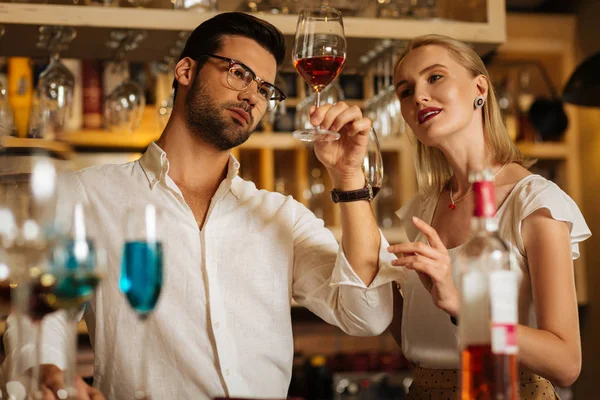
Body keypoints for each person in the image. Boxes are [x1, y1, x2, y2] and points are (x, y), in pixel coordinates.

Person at [2, 12, 402, 400]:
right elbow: (40, 313)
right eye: (238, 72)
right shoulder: (86, 195)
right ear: (186, 71)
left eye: (265, 89)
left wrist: (349, 179)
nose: (251, 96)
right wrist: (45, 369)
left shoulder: (283, 216)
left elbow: (366, 315)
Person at [386, 34, 591, 399]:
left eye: (435, 77)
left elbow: (565, 362)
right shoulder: (420, 209)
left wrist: (465, 308)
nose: (418, 96)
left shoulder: (535, 203)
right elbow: (415, 340)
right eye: (405, 91)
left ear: (479, 87)